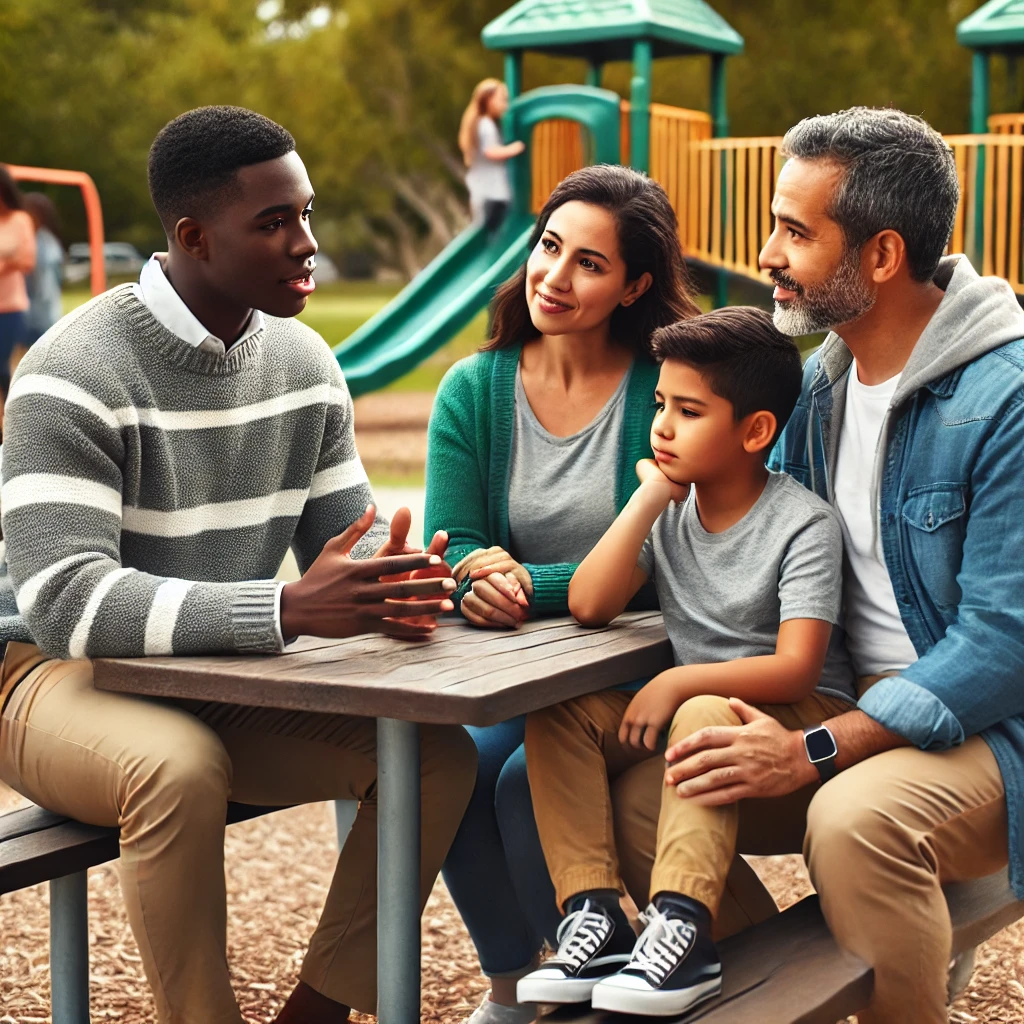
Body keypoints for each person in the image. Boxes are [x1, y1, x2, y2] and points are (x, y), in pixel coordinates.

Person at [0, 105, 477, 1024]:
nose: (307, 244)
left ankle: (320, 1010)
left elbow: (350, 538)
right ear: (193, 237)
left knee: (433, 757)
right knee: (175, 769)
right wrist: (288, 611)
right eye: (276, 223)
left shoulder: (303, 360)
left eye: (306, 214)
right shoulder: (73, 371)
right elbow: (66, 603)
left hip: (212, 674)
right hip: (46, 676)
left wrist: (406, 586)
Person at [592, 106, 1024, 1024]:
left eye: (795, 230)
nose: (766, 252)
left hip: (990, 732)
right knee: (649, 794)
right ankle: (787, 997)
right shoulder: (818, 390)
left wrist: (815, 748)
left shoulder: (1005, 399)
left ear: (880, 255)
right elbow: (739, 549)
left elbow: (1004, 641)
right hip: (840, 702)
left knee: (855, 819)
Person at [516, 307, 855, 1016]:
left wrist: (679, 680)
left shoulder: (805, 524)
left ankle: (682, 930)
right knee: (559, 713)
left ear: (756, 431)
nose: (663, 426)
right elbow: (589, 602)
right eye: (660, 406)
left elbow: (797, 667)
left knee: (703, 714)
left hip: (796, 734)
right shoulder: (670, 512)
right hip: (702, 725)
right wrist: (646, 499)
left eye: (690, 411)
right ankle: (595, 912)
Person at [425, 164, 699, 1024]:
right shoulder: (475, 388)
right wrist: (476, 577)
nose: (555, 276)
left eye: (589, 263)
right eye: (549, 247)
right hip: (522, 660)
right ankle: (512, 986)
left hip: (639, 658)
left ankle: (596, 986)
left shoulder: (666, 390)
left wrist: (519, 581)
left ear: (635, 285)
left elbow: (646, 561)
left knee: (518, 782)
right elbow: (454, 541)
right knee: (452, 766)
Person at [458, 78, 525, 232]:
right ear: (489, 100)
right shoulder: (486, 124)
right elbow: (490, 151)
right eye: (502, 100)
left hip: (481, 188)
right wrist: (515, 148)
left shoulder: (479, 122)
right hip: (491, 190)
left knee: (485, 226)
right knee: (492, 229)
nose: (505, 105)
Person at [0, 166, 36, 398]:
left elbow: (27, 260)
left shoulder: (20, 220)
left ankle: (10, 416)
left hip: (10, 306)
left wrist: (5, 265)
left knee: (2, 364)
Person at [20, 191, 65, 356]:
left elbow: (45, 283)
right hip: (38, 311)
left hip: (41, 313)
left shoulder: (43, 242)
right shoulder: (43, 240)